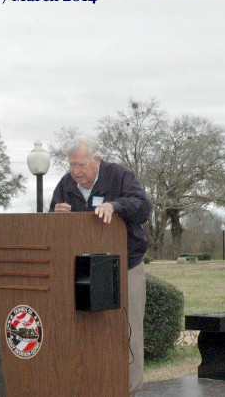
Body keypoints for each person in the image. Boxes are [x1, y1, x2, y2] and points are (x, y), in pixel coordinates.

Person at [50, 135, 151, 396]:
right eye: (72, 165)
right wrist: (56, 215)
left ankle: (128, 389)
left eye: (81, 165)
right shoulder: (65, 184)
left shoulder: (119, 175)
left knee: (128, 333)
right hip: (83, 273)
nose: (76, 171)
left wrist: (114, 205)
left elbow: (143, 207)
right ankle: (91, 387)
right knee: (86, 332)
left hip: (125, 267)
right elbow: (51, 223)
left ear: (97, 159)